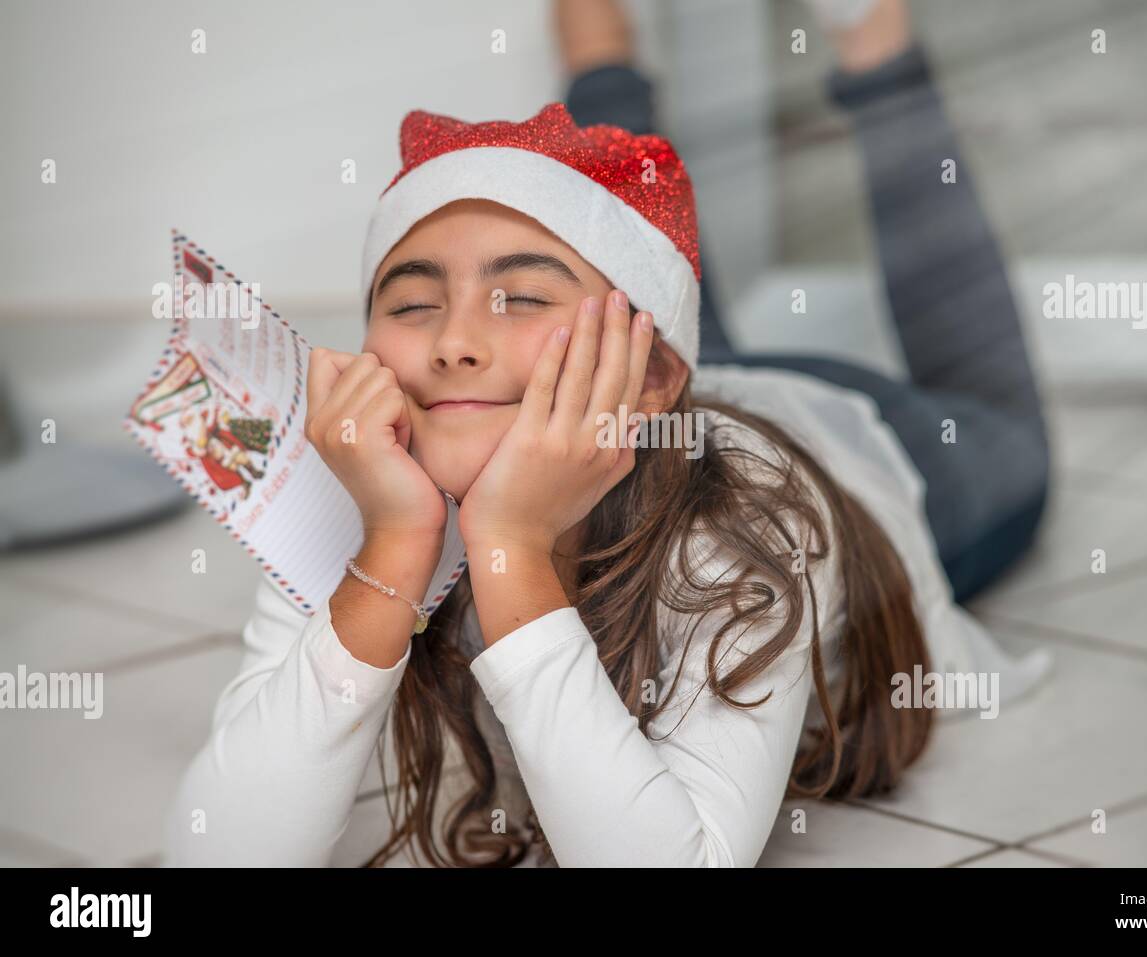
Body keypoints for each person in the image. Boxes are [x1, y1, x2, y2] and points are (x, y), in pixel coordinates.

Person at [161, 0, 1051, 868]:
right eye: (413, 304)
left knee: (1005, 432)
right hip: (651, 382)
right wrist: (391, 549)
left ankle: (877, 47)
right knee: (627, 256)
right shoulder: (363, 484)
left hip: (865, 457)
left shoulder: (745, 529)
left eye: (521, 297)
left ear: (660, 377)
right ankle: (598, 40)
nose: (454, 343)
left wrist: (507, 546)